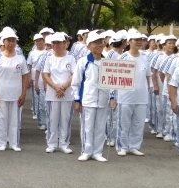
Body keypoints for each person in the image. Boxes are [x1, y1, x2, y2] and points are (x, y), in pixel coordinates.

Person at [71, 31, 112, 162]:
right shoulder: (83, 62)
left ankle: (98, 152)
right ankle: (86, 151)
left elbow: (113, 83)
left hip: (103, 100)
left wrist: (112, 98)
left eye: (101, 42)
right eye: (96, 43)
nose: (99, 45)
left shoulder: (108, 62)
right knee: (87, 127)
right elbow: (76, 82)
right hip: (87, 99)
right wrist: (77, 99)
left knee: (100, 127)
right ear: (89, 46)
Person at [0, 27, 28, 152]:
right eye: (8, 40)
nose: (11, 43)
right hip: (1, 93)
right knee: (2, 118)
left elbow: (24, 77)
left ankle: (13, 143)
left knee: (14, 119)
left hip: (16, 94)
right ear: (3, 42)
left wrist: (23, 94)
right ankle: (2, 142)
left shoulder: (21, 58)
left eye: (13, 40)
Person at [114, 32, 152, 157]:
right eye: (136, 40)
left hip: (141, 97)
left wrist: (147, 92)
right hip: (125, 97)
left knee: (138, 123)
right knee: (123, 123)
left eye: (140, 39)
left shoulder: (145, 57)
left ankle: (135, 146)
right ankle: (122, 147)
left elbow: (147, 77)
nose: (139, 42)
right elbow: (115, 78)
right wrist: (113, 97)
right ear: (129, 41)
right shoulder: (122, 58)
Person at [42, 32, 76, 154]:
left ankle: (64, 144)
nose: (56, 45)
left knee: (65, 119)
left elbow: (74, 74)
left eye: (59, 42)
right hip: (52, 94)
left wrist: (64, 87)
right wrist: (56, 87)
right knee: (52, 119)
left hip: (67, 94)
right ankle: (51, 144)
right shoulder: (49, 58)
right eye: (54, 42)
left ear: (64, 44)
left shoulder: (71, 58)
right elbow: (45, 74)